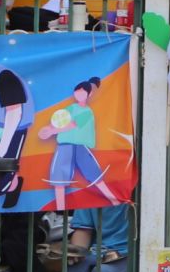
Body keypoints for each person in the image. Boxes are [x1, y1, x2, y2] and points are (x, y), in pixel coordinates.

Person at [37, 76, 124, 211]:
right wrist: (48, 129)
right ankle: (60, 208)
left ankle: (114, 200)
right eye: (77, 92)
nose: (79, 94)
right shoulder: (69, 109)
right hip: (64, 146)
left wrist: (52, 131)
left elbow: (72, 125)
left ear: (90, 94)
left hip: (80, 147)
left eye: (82, 92)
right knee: (59, 180)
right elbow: (59, 121)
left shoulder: (87, 112)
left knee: (94, 175)